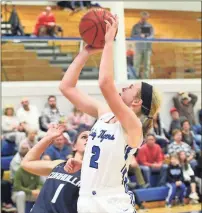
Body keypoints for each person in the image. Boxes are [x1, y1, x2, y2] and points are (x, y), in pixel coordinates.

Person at [60, 15, 161, 213]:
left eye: (130, 86)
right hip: (87, 200)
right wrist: (85, 54)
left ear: (137, 102)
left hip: (113, 203)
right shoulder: (105, 114)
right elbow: (66, 87)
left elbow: (105, 83)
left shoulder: (133, 125)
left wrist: (109, 43)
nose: (124, 87)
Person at [21, 125, 90, 213]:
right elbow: (26, 163)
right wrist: (48, 138)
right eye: (84, 137)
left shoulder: (94, 173)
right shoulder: (59, 164)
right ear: (74, 146)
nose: (89, 140)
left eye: (93, 138)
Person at [131, 11, 154, 79]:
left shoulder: (150, 26)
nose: (144, 19)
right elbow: (132, 36)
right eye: (143, 18)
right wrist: (139, 36)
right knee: (136, 64)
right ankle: (134, 78)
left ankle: (145, 79)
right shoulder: (135, 26)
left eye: (146, 18)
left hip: (147, 48)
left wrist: (146, 37)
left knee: (146, 65)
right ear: (141, 17)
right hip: (138, 47)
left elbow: (152, 36)